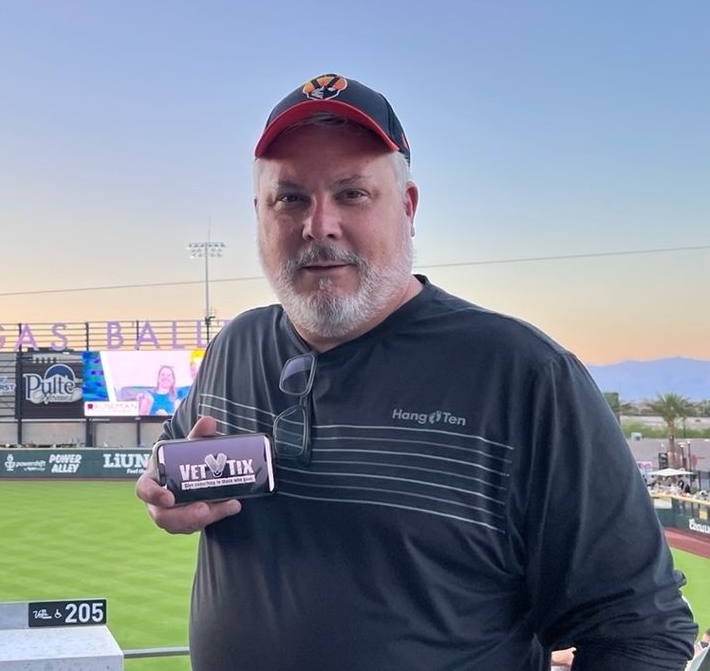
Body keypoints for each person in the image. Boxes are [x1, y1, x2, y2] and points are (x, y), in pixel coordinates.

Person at [135, 73, 696, 670]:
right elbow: (177, 456)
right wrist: (164, 492)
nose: (318, 225)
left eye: (352, 194)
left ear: (407, 207)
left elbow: (643, 631)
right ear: (259, 214)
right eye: (290, 197)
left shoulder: (523, 375)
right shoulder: (235, 345)